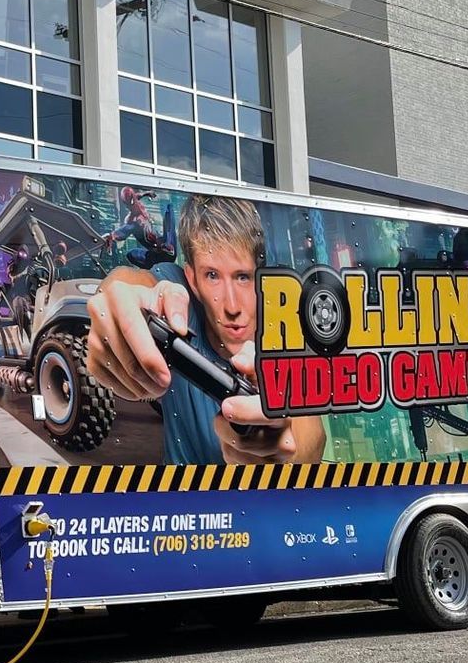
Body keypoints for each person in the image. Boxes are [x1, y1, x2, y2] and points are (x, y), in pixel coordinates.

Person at [85, 193, 325, 467]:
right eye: (212, 276)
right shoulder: (178, 294)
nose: (231, 306)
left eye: (242, 277)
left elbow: (312, 434)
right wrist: (114, 307)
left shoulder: (281, 322)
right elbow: (130, 282)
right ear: (192, 280)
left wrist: (284, 448)